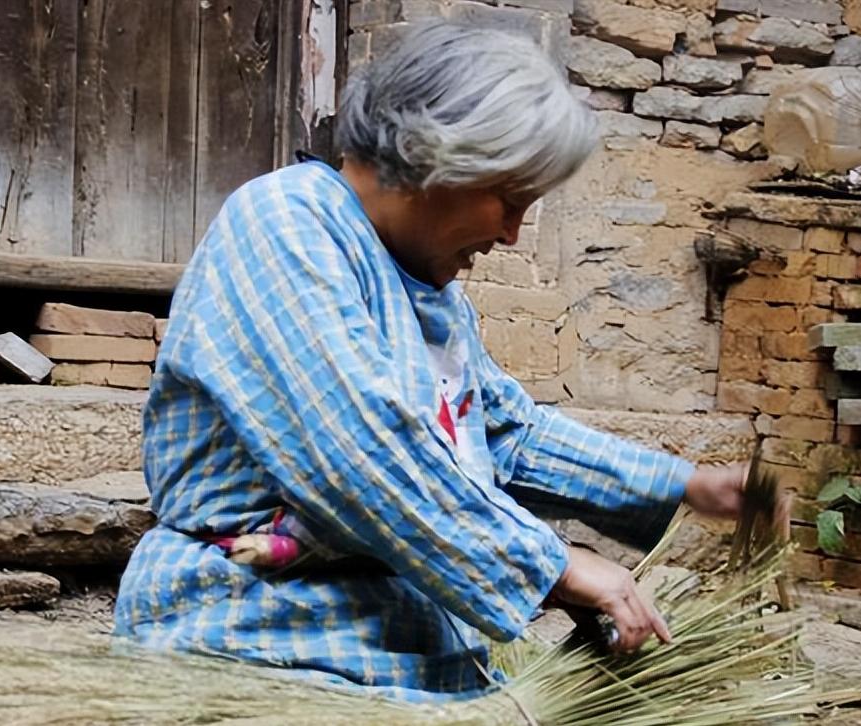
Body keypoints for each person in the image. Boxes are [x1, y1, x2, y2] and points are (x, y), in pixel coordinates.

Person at [114, 21, 747, 701]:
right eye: (509, 202)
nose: (511, 235)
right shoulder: (284, 223)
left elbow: (503, 434)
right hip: (260, 633)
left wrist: (683, 485)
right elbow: (357, 454)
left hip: (397, 642)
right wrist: (552, 566)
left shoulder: (423, 288)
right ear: (430, 159)